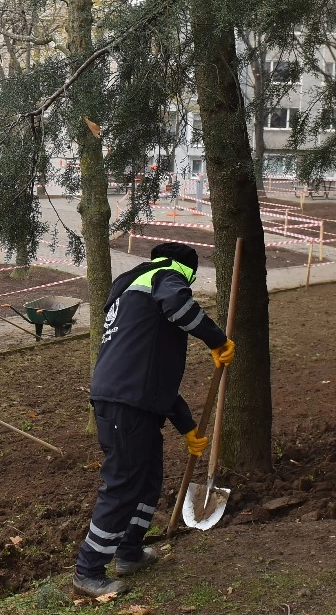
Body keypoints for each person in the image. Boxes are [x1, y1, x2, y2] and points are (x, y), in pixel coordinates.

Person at [71, 243, 235, 597]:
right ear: (185, 270)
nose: (187, 283)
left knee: (147, 480)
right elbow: (179, 305)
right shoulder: (165, 277)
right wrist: (216, 339)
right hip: (124, 403)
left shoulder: (134, 293)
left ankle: (129, 552)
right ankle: (88, 571)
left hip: (131, 399)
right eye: (189, 277)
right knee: (123, 485)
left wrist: (188, 427)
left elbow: (153, 378)